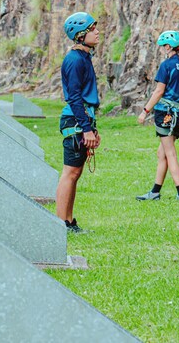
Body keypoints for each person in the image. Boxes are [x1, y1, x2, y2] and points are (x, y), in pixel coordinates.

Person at [136, 31, 179, 201]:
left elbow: (159, 91)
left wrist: (145, 111)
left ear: (168, 47)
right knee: (162, 153)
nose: (162, 50)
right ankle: (155, 192)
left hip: (166, 115)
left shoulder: (167, 66)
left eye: (163, 47)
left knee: (170, 153)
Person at [57, 12, 101, 234]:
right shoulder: (74, 60)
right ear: (80, 34)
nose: (97, 32)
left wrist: (92, 128)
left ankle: (69, 220)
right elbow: (74, 97)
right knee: (70, 172)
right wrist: (85, 128)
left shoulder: (84, 57)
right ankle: (59, 224)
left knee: (76, 173)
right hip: (75, 120)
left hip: (83, 119)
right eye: (93, 29)